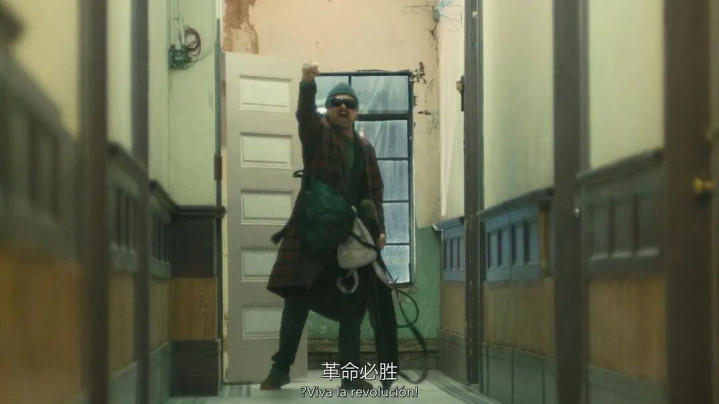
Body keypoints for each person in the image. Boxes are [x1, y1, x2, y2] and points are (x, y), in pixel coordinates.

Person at [260, 62, 390, 392]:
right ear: (328, 109)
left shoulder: (365, 149)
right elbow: (304, 116)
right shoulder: (318, 135)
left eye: (349, 104)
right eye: (336, 103)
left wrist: (379, 230)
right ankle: (280, 370)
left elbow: (374, 193)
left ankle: (350, 376)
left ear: (356, 112)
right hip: (312, 234)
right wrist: (307, 84)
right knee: (297, 300)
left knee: (353, 307)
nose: (343, 108)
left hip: (349, 237)